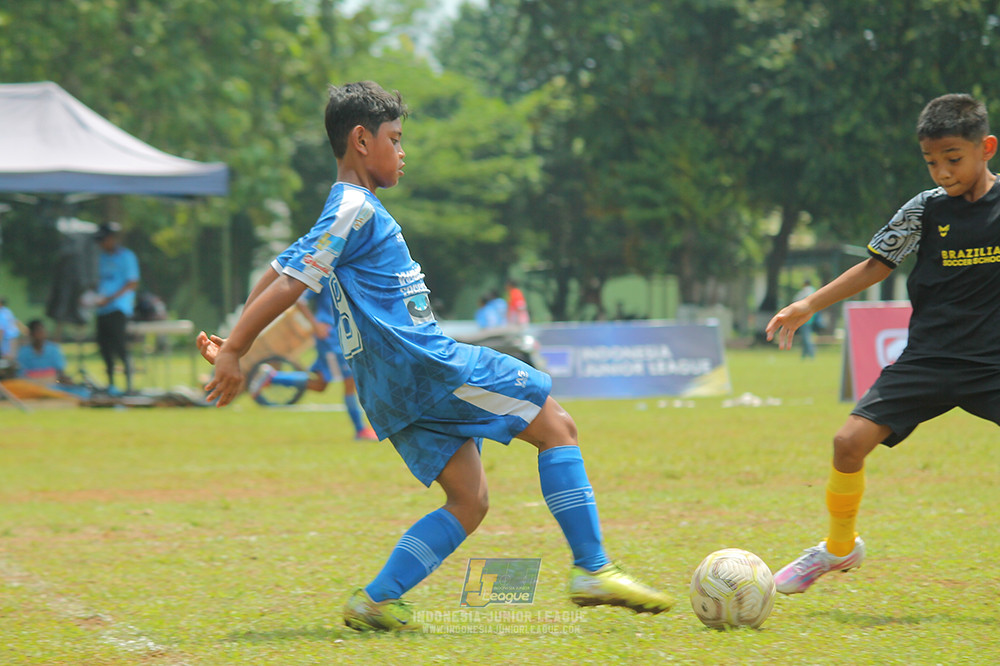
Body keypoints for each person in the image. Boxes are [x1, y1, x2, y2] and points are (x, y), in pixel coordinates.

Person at [196, 81, 673, 632]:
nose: (402, 153)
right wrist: (235, 349)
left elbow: (280, 271)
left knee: (469, 500)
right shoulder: (355, 206)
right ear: (359, 140)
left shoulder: (342, 210)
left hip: (388, 390)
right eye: (395, 140)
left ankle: (377, 600)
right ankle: (592, 568)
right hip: (427, 365)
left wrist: (239, 343)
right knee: (557, 425)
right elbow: (291, 283)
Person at [765, 93, 1000, 595]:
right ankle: (838, 548)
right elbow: (876, 264)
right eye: (931, 161)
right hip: (929, 360)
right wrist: (809, 305)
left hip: (993, 363)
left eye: (953, 159)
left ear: (987, 148)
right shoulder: (925, 210)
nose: (941, 172)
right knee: (847, 443)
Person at [249, 283, 379, 440]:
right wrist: (316, 325)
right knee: (350, 378)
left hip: (340, 335)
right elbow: (300, 299)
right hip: (330, 337)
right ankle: (360, 430)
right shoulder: (326, 274)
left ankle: (274, 377)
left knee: (320, 385)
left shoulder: (349, 272)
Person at [93, 222, 140, 393]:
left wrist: (110, 298)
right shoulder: (102, 258)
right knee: (104, 346)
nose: (101, 244)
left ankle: (129, 386)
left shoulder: (127, 257)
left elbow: (132, 283)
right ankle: (111, 384)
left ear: (111, 239)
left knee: (120, 347)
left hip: (119, 308)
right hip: (102, 309)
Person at [793, 279, 817, 359]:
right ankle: (804, 355)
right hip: (812, 317)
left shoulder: (805, 291)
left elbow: (796, 300)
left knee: (806, 337)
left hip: (804, 318)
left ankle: (811, 354)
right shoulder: (814, 291)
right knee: (806, 337)